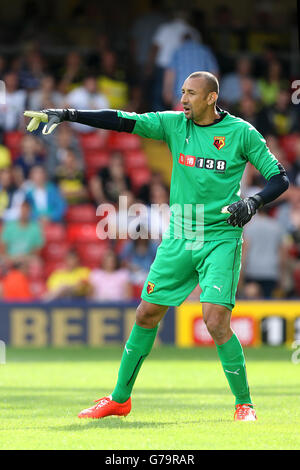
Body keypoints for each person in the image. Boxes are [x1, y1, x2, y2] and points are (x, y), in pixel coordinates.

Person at [24, 71, 289, 422]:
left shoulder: (241, 133)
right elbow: (122, 121)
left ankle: (244, 404)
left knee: (215, 320)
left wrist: (252, 203)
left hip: (222, 235)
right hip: (181, 234)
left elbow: (279, 178)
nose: (183, 99)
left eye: (191, 94)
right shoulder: (173, 124)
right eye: (182, 92)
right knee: (146, 313)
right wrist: (71, 114)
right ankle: (119, 399)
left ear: (211, 98)